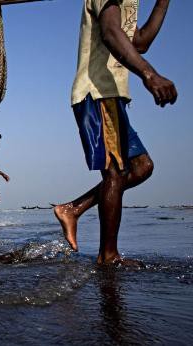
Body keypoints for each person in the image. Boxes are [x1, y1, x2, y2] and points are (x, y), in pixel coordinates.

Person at [54, 0, 177, 265]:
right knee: (115, 172)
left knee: (142, 167)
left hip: (114, 96)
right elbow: (111, 33)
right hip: (96, 92)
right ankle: (108, 255)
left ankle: (73, 209)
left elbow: (140, 42)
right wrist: (149, 74)